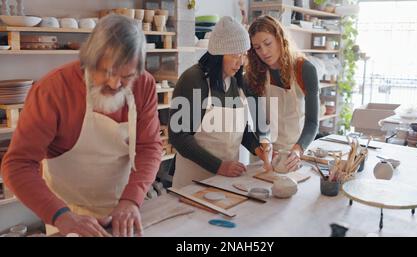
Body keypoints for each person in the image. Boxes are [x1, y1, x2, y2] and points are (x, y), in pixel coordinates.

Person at [1, 14, 163, 237]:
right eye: (107, 73)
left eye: (126, 76)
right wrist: (61, 216)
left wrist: (131, 200)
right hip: (68, 213)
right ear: (88, 60)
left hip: (122, 208)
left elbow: (149, 147)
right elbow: (17, 165)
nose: (115, 84)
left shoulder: (144, 84)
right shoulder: (53, 90)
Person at [169, 16, 271, 188]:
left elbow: (240, 129)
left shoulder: (236, 81)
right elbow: (179, 137)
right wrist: (219, 166)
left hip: (226, 181)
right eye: (234, 55)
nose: (240, 62)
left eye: (243, 54)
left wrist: (257, 148)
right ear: (217, 54)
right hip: (193, 182)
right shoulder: (193, 79)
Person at [246, 15, 320, 172]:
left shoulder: (304, 69)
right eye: (257, 48)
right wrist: (266, 146)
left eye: (268, 43)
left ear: (279, 38)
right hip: (266, 150)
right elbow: (259, 120)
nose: (264, 52)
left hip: (296, 149)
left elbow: (312, 122)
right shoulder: (254, 74)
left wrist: (298, 150)